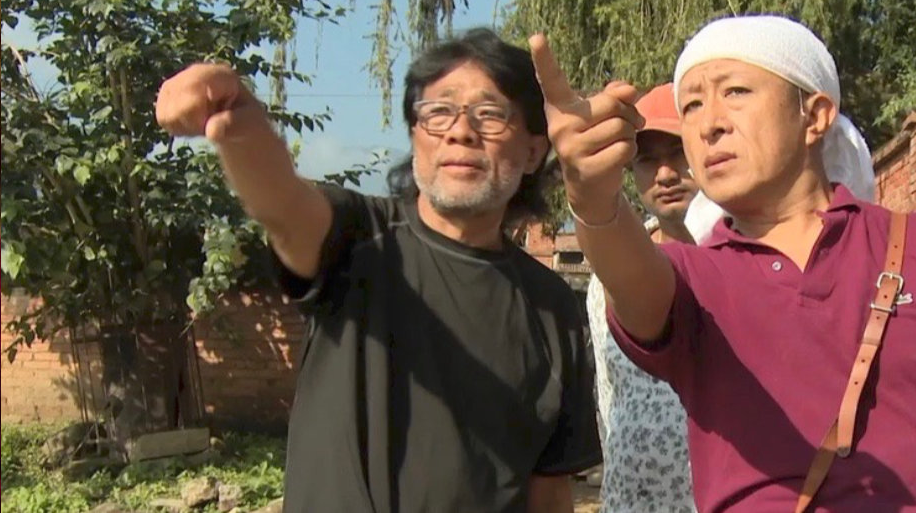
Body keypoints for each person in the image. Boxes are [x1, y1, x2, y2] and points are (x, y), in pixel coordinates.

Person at [538, 14, 916, 511]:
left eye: (735, 91)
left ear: (815, 115)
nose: (708, 123)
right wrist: (592, 201)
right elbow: (631, 279)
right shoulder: (693, 279)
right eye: (691, 105)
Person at [155, 28, 601, 512]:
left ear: (534, 151)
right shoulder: (358, 239)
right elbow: (281, 203)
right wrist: (238, 116)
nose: (460, 131)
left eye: (490, 114)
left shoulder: (554, 310)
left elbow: (550, 492)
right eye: (438, 112)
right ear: (415, 134)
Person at [584, 83, 699, 511]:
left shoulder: (744, 265)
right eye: (647, 161)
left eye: (678, 153)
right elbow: (608, 397)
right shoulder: (608, 276)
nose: (665, 174)